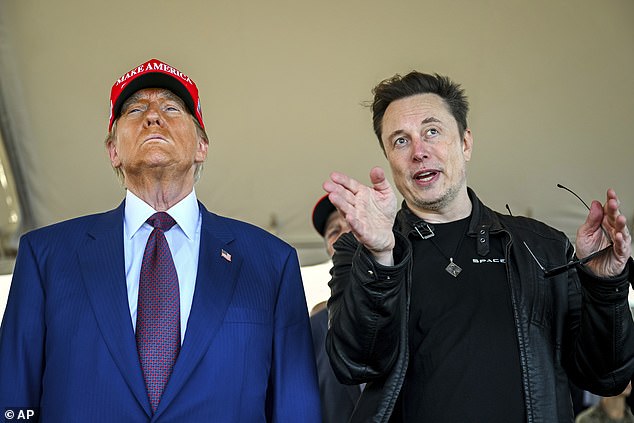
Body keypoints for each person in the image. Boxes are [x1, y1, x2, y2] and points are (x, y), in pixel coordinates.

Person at [0, 58, 321, 422]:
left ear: (202, 146)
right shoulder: (45, 256)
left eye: (171, 108)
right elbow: (12, 401)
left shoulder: (270, 262)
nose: (153, 117)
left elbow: (296, 410)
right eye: (135, 110)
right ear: (113, 152)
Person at [323, 71, 634, 422]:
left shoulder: (543, 247)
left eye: (432, 131)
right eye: (400, 141)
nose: (419, 152)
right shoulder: (361, 251)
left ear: (466, 143)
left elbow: (606, 376)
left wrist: (606, 286)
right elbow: (355, 364)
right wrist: (381, 256)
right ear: (388, 158)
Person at [310, 194, 361, 423]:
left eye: (354, 224)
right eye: (334, 231)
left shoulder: (414, 306)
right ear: (329, 249)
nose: (345, 234)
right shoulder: (313, 328)